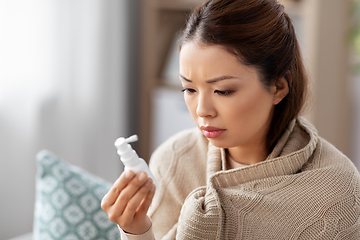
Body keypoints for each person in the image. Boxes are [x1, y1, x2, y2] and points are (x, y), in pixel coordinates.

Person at [101, 0, 360, 239]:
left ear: (279, 87)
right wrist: (136, 230)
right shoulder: (175, 159)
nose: (202, 110)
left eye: (223, 91)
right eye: (189, 89)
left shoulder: (337, 189)